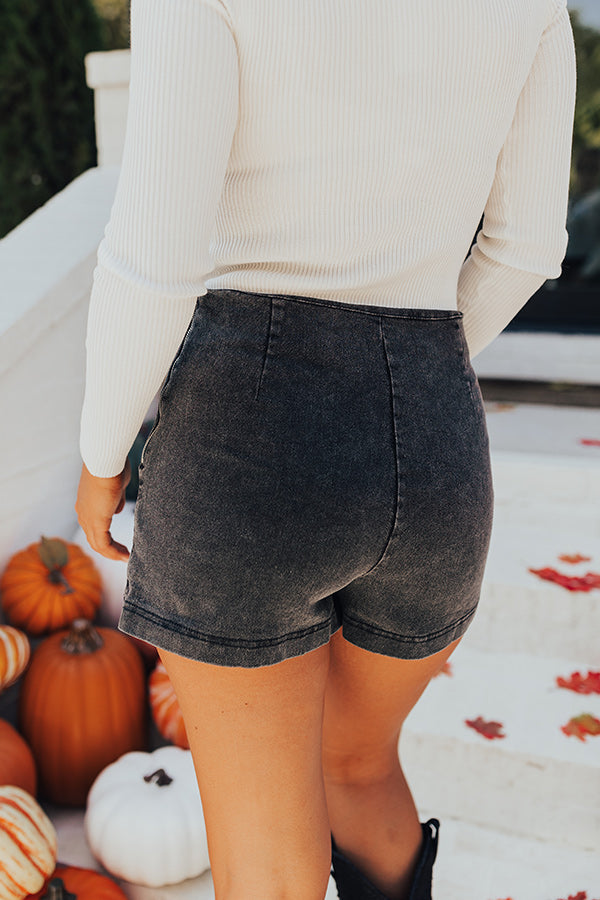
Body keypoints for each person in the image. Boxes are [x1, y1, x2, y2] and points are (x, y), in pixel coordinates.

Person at [75, 1, 576, 898]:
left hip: (245, 438)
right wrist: (417, 377)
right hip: (435, 447)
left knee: (269, 863)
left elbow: (154, 258)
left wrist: (101, 454)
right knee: (357, 763)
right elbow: (527, 248)